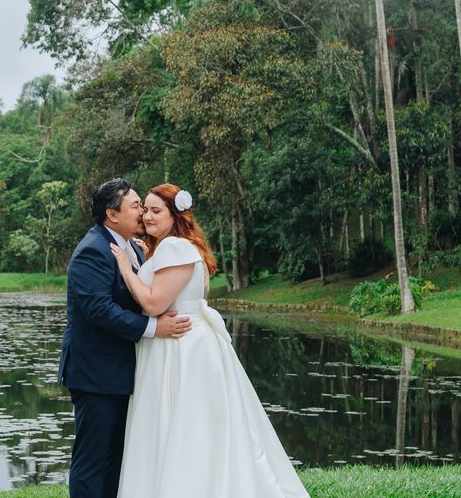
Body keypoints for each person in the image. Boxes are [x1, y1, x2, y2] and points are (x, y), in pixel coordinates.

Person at [110, 183, 309, 498]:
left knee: (185, 426)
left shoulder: (175, 248)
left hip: (180, 349)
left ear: (176, 215)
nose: (147, 216)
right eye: (145, 209)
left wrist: (126, 269)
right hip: (182, 343)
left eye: (156, 210)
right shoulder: (173, 247)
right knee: (190, 426)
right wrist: (142, 261)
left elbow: (153, 304)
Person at [58, 177, 193, 498]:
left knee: (118, 458)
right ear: (112, 214)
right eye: (136, 206)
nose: (143, 214)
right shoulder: (92, 251)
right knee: (93, 458)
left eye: (147, 208)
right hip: (96, 374)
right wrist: (153, 329)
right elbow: (99, 310)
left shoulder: (133, 247)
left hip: (124, 372)